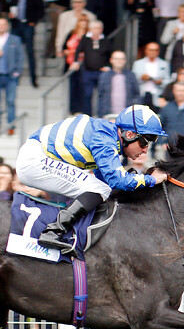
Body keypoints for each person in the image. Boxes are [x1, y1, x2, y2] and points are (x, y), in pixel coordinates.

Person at [14, 105, 167, 253]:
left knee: (100, 188)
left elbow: (105, 178)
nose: (145, 149)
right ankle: (53, 231)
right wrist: (150, 179)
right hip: (35, 160)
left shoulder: (108, 136)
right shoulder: (105, 139)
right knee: (99, 189)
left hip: (36, 156)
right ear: (129, 135)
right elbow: (117, 181)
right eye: (144, 142)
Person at [74, 20, 112, 116]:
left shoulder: (105, 40)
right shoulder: (86, 39)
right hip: (88, 71)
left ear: (101, 29)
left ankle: (101, 115)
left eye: (98, 28)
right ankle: (87, 115)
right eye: (94, 28)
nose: (96, 30)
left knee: (102, 94)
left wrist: (108, 66)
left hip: (102, 72)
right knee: (87, 94)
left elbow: (110, 54)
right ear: (91, 29)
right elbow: (78, 50)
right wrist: (75, 62)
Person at [9, 0, 43, 88]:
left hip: (28, 25)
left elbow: (41, 9)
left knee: (30, 52)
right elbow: (11, 6)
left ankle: (33, 78)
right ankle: (14, 77)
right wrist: (11, 15)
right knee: (13, 52)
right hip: (16, 25)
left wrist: (34, 21)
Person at [96, 50, 140, 117]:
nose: (119, 61)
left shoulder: (131, 75)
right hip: (108, 116)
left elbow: (137, 95)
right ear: (111, 60)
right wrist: (100, 115)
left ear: (125, 61)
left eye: (121, 59)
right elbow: (100, 97)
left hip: (127, 116)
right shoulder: (104, 76)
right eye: (116, 59)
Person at [0, 18, 23, 136]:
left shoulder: (15, 39)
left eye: (3, 24)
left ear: (7, 26)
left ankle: (11, 126)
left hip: (10, 75)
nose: (1, 26)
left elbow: (20, 56)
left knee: (10, 101)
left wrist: (17, 72)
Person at [132, 42, 170, 109]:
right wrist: (141, 78)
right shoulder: (138, 63)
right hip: (142, 95)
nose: (153, 52)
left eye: (155, 50)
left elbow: (168, 81)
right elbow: (133, 80)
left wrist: (160, 82)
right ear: (146, 50)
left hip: (157, 95)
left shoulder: (164, 64)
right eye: (151, 50)